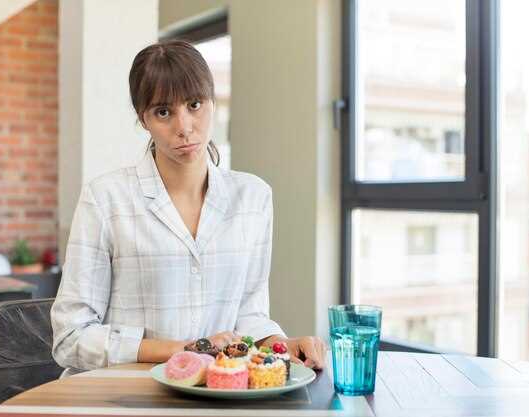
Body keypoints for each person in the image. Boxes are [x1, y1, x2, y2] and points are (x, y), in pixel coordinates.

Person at [51, 40, 326, 375]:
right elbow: (71, 337)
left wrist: (279, 343)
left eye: (195, 105)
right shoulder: (105, 198)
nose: (183, 127)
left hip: (215, 392)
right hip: (123, 394)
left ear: (213, 104)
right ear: (144, 120)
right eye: (163, 112)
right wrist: (180, 350)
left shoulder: (254, 197)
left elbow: (248, 315)